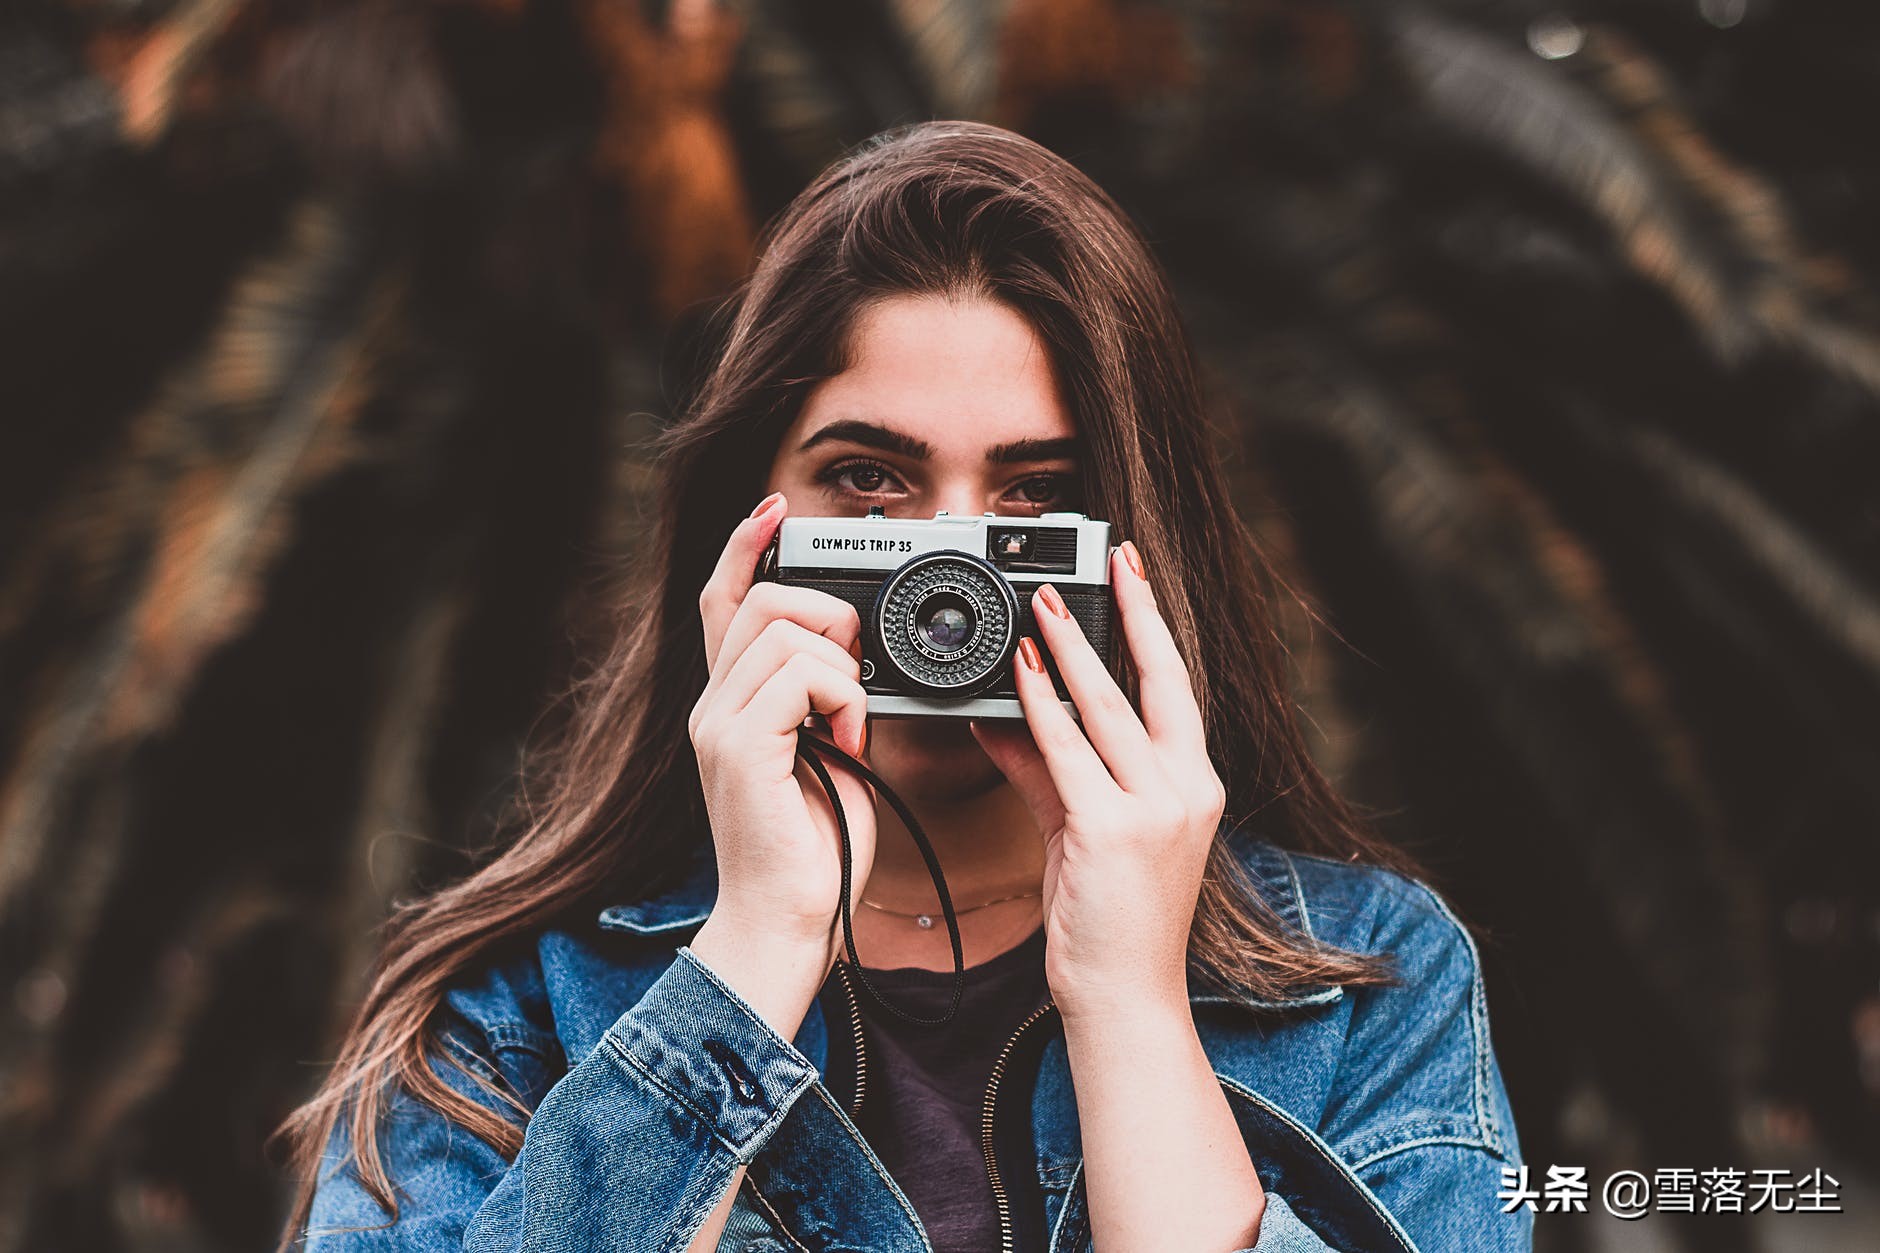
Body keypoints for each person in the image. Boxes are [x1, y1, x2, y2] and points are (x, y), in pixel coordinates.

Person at [279, 119, 1532, 1253]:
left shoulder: (1367, 979)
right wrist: (754, 949)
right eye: (870, 481)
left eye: (1033, 494)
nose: (949, 573)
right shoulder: (509, 1008)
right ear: (746, 525)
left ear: (1136, 541)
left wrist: (1132, 1001)